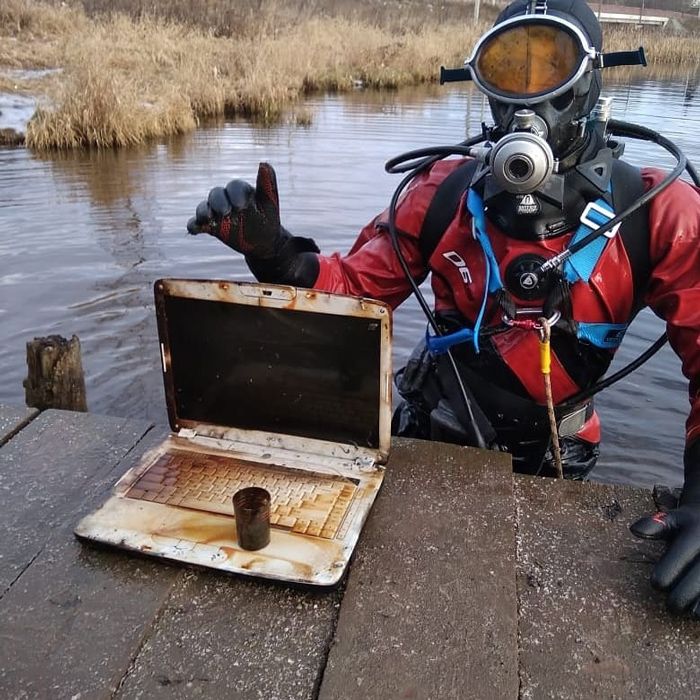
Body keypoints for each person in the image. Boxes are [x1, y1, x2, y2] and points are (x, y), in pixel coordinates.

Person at [187, 0, 700, 618]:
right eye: (508, 69)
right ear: (481, 84)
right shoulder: (441, 194)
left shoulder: (656, 215)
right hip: (433, 432)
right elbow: (353, 292)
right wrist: (280, 259)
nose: (527, 99)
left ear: (590, 80)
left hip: (556, 451)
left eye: (552, 66)